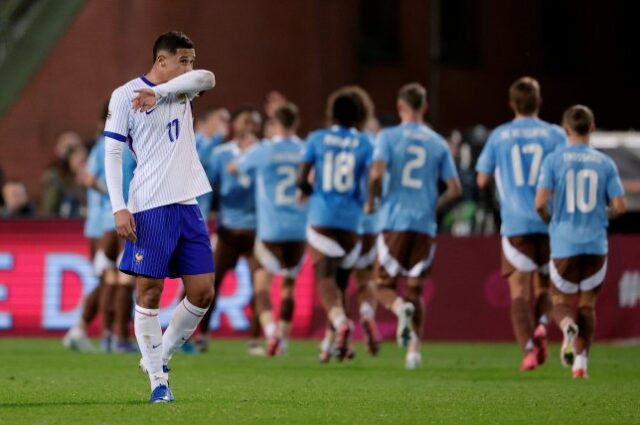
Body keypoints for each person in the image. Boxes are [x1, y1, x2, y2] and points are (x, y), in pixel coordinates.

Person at [104, 31, 216, 403]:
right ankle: (158, 382)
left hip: (187, 203)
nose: (190, 67)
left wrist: (163, 93)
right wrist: (119, 205)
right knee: (149, 292)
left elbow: (208, 78)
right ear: (161, 61)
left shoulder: (182, 89)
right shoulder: (124, 95)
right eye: (182, 60)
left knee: (202, 292)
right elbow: (113, 154)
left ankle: (159, 356)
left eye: (191, 59)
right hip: (148, 204)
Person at [366, 83, 461, 369]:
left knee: (383, 285)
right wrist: (433, 204)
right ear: (425, 108)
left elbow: (376, 173)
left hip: (393, 219)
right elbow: (455, 189)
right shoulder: (438, 142)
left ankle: (399, 309)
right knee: (416, 290)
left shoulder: (388, 136)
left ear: (399, 107)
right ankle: (414, 354)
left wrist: (372, 202)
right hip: (424, 223)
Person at [475, 77, 567, 371]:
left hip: (515, 222)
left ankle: (529, 348)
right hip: (550, 222)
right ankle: (542, 323)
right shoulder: (555, 134)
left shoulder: (499, 136)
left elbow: (481, 179)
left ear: (511, 104)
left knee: (519, 290)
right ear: (539, 102)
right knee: (546, 288)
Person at [535, 105, 625, 379]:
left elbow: (539, 203)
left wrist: (552, 220)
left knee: (558, 299)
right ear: (592, 128)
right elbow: (620, 206)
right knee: (588, 305)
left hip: (564, 242)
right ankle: (580, 365)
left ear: (565, 130)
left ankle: (566, 328)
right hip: (596, 243)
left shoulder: (553, 160)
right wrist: (602, 215)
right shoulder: (606, 163)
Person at [296, 86, 374, 362]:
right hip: (353, 221)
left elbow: (301, 179)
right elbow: (373, 178)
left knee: (325, 279)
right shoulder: (366, 143)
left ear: (332, 114)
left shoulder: (317, 139)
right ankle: (332, 345)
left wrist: (306, 191)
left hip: (322, 217)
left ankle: (341, 324)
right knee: (342, 282)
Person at [229, 102, 307, 356]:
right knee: (289, 286)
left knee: (262, 286)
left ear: (275, 124)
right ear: (296, 124)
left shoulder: (263, 151)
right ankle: (282, 341)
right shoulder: (305, 149)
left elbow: (234, 168)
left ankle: (271, 332)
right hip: (298, 230)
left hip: (271, 230)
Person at [195, 106, 262, 353]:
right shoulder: (222, 154)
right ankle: (201, 334)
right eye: (245, 122)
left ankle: (255, 338)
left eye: (254, 123)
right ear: (235, 126)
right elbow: (206, 183)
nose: (249, 127)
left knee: (260, 285)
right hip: (227, 228)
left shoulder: (263, 153)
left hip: (257, 229)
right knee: (212, 283)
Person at [195, 107, 230, 220]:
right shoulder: (196, 140)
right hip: (191, 195)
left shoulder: (219, 146)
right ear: (203, 122)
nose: (222, 124)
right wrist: (218, 137)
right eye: (219, 119)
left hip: (206, 197)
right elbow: (199, 162)